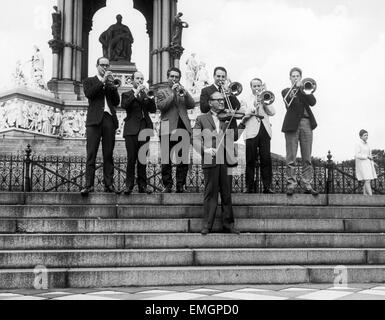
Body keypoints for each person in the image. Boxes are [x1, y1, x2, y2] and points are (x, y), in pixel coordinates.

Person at [193, 91, 240, 235]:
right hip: (210, 158)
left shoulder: (228, 117)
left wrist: (235, 120)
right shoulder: (201, 118)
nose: (221, 102)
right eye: (218, 100)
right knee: (210, 193)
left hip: (226, 158)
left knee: (227, 193)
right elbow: (194, 139)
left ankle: (229, 225)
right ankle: (207, 225)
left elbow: (235, 137)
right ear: (210, 102)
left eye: (222, 100)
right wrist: (204, 150)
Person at [81, 57, 120, 195]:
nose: (105, 67)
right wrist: (102, 81)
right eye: (102, 65)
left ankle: (109, 185)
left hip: (109, 119)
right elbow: (89, 94)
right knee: (91, 153)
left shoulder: (110, 83)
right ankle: (88, 185)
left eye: (107, 65)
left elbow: (116, 102)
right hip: (94, 121)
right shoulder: (89, 81)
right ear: (97, 66)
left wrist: (113, 87)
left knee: (108, 154)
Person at [156, 67, 195, 193]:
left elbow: (191, 104)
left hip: (182, 126)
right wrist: (173, 94)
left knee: (182, 159)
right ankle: (167, 185)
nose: (174, 79)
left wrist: (185, 92)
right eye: (172, 76)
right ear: (168, 77)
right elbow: (161, 106)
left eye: (176, 77)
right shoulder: (162, 91)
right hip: (167, 127)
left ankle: (180, 185)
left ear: (179, 78)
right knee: (166, 159)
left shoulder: (182, 91)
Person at [282, 67, 319, 196]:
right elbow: (289, 103)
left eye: (298, 76)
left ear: (301, 77)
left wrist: (303, 89)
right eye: (293, 76)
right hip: (292, 124)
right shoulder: (286, 91)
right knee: (291, 157)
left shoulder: (306, 90)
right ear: (290, 78)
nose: (295, 78)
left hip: (306, 123)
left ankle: (307, 184)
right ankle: (291, 184)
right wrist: (296, 88)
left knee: (307, 157)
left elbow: (313, 102)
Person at [121, 71, 156, 195]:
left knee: (142, 159)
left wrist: (150, 97)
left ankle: (142, 186)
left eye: (142, 78)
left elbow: (153, 109)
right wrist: (136, 93)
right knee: (131, 159)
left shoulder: (146, 94)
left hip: (145, 129)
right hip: (131, 130)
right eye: (138, 78)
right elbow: (125, 105)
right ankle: (129, 186)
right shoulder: (126, 94)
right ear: (132, 80)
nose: (140, 80)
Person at [239, 78, 276, 193]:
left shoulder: (266, 97)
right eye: (254, 86)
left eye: (259, 86)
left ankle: (267, 186)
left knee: (266, 160)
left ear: (262, 87)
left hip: (264, 131)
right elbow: (243, 114)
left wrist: (264, 101)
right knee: (250, 160)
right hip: (251, 132)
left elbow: (272, 112)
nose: (257, 88)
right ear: (251, 88)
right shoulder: (245, 100)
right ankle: (249, 186)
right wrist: (254, 107)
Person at [355, 129, 377, 196]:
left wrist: (373, 161)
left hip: (368, 164)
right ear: (360, 136)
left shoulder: (367, 144)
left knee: (368, 180)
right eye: (365, 135)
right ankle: (371, 196)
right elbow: (357, 155)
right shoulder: (358, 144)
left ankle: (365, 195)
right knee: (367, 180)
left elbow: (369, 155)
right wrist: (367, 156)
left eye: (367, 135)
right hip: (362, 165)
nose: (366, 136)